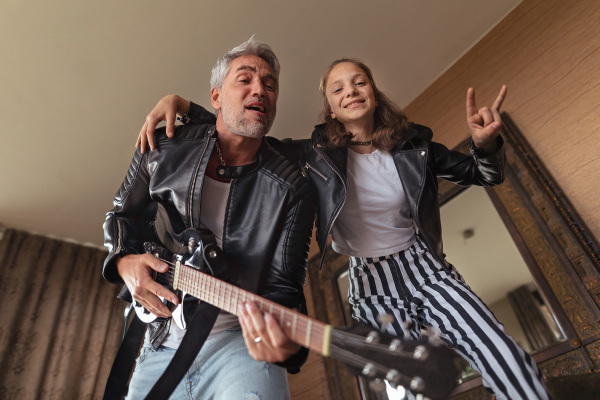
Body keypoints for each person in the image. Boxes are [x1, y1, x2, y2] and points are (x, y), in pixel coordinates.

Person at [136, 59, 551, 399]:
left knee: (503, 354)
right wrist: (185, 105)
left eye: (359, 82)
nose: (350, 91)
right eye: (338, 89)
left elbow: (484, 173)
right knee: (410, 390)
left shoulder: (414, 145)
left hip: (425, 267)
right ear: (331, 109)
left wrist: (485, 144)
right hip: (369, 282)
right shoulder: (314, 154)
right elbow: (245, 127)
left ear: (373, 93)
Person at [102, 37, 316, 399]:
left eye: (270, 84)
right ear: (216, 97)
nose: (259, 90)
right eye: (244, 79)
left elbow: (284, 285)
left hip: (240, 348)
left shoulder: (293, 188)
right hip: (158, 346)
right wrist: (124, 262)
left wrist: (281, 340)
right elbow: (122, 216)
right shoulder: (162, 148)